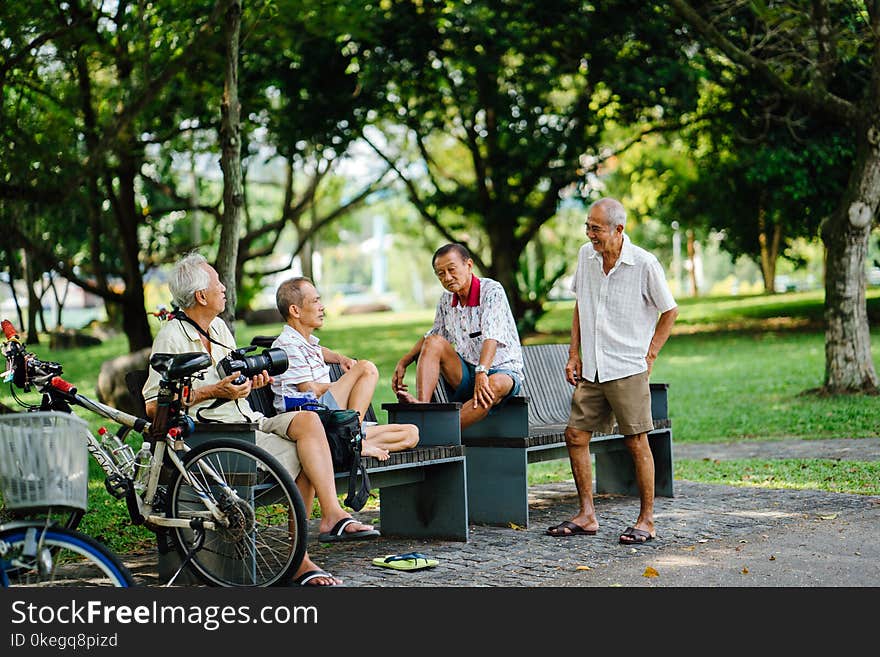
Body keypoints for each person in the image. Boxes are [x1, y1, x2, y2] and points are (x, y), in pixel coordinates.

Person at [142, 253, 379, 588]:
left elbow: (231, 380)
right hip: (214, 436)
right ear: (200, 296)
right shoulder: (172, 337)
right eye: (218, 283)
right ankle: (301, 560)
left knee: (308, 424)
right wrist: (214, 391)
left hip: (248, 420)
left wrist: (248, 384)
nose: (224, 288)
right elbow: (154, 406)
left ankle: (332, 516)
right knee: (305, 453)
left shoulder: (219, 328)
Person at [546, 198, 678, 545]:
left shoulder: (644, 264)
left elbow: (669, 312)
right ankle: (587, 515)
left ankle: (646, 521)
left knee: (635, 441)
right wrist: (573, 353)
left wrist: (649, 356)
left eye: (596, 228)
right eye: (588, 226)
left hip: (626, 367)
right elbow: (580, 304)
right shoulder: (585, 257)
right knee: (575, 435)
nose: (590, 234)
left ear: (619, 230)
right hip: (592, 366)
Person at [270, 277, 420, 460]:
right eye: (315, 301)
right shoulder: (287, 345)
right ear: (295, 310)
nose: (322, 306)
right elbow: (309, 390)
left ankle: (346, 442)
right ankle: (354, 437)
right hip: (311, 417)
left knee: (411, 434)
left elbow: (319, 351)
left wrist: (340, 358)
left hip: (331, 421)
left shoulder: (306, 343)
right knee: (366, 369)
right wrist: (347, 384)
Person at [391, 243, 524, 429]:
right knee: (433, 342)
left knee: (492, 386)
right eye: (441, 274)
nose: (447, 277)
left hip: (501, 371)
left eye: (452, 270)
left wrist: (482, 371)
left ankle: (438, 429)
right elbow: (433, 336)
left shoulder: (492, 291)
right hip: (465, 373)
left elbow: (491, 336)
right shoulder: (446, 300)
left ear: (468, 265)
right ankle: (423, 409)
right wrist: (405, 360)